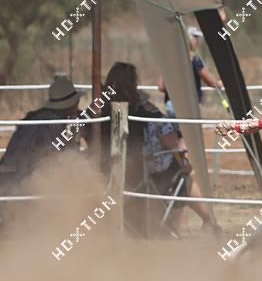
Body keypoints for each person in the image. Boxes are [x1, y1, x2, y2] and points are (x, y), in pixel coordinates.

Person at [90, 62, 221, 236]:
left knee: (178, 168)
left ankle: (183, 223)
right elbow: (172, 141)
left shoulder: (98, 113)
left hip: (108, 174)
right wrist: (184, 158)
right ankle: (203, 221)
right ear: (133, 83)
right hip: (143, 175)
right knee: (183, 174)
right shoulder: (146, 111)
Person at [0, 74, 83, 193]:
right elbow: (54, 158)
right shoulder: (52, 123)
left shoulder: (38, 118)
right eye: (76, 101)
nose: (77, 104)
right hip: (20, 180)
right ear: (69, 104)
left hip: (9, 175)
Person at [159, 26, 223, 118]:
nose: (197, 41)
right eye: (195, 37)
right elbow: (211, 83)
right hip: (190, 106)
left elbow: (161, 87)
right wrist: (221, 84)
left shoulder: (167, 59)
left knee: (175, 127)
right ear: (187, 39)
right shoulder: (194, 60)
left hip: (171, 106)